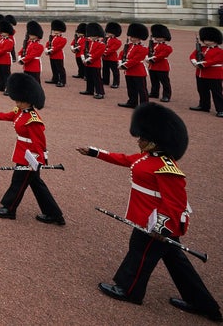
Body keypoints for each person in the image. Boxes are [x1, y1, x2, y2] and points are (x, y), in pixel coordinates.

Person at [80, 103, 221, 321]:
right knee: (177, 263)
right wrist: (95, 153)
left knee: (140, 253)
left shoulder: (167, 167)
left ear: (155, 140)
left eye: (142, 137)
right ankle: (203, 304)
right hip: (150, 220)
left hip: (157, 224)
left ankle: (129, 290)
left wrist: (161, 226)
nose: (139, 140)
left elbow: (175, 202)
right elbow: (124, 159)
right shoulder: (147, 158)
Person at [0, 73, 64, 224]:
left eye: (19, 101)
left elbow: (39, 142)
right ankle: (54, 214)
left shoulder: (33, 119)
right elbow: (4, 116)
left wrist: (38, 160)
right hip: (23, 153)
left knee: (18, 182)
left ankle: (9, 208)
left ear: (28, 101)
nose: (16, 103)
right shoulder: (20, 111)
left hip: (30, 157)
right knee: (37, 185)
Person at [190, 26, 223, 115]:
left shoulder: (219, 51)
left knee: (216, 93)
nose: (205, 42)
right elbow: (193, 55)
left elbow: (215, 60)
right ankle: (204, 106)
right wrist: (194, 62)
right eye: (204, 40)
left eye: (208, 40)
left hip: (214, 75)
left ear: (215, 40)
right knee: (202, 91)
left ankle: (220, 109)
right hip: (201, 74)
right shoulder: (202, 48)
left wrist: (202, 64)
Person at [118, 23, 150, 109]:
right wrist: (120, 61)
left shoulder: (143, 48)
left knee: (141, 89)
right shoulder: (128, 46)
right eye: (130, 36)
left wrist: (124, 66)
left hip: (138, 71)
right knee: (131, 88)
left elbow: (135, 60)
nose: (131, 38)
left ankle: (145, 105)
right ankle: (132, 102)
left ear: (139, 38)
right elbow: (121, 54)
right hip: (129, 71)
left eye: (133, 37)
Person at [148, 24, 173, 103]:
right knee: (154, 81)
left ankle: (166, 95)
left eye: (159, 37)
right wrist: (146, 56)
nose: (157, 38)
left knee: (165, 82)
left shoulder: (167, 47)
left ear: (164, 37)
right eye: (156, 37)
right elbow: (147, 51)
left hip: (162, 66)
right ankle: (154, 92)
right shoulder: (153, 45)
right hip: (152, 66)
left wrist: (152, 58)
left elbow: (162, 55)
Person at [81, 22, 106, 99]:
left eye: (92, 36)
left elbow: (97, 54)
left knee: (97, 79)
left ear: (97, 36)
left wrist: (89, 58)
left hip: (95, 64)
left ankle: (100, 92)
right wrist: (83, 57)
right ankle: (89, 90)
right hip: (87, 63)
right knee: (89, 77)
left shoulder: (101, 44)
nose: (90, 37)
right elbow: (83, 50)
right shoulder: (88, 43)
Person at [18, 20, 44, 85]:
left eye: (31, 34)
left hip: (34, 67)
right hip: (27, 66)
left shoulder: (39, 46)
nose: (29, 35)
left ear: (36, 35)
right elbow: (21, 51)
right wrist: (19, 56)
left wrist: (23, 60)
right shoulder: (28, 43)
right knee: (27, 83)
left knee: (35, 83)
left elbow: (31, 56)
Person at [0, 20, 14, 92]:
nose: (2, 33)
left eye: (3, 32)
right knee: (0, 74)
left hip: (5, 60)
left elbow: (4, 50)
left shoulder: (10, 41)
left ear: (7, 33)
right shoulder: (1, 40)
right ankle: (1, 86)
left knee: (6, 75)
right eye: (1, 32)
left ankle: (8, 88)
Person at [45, 19, 68, 87]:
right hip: (52, 55)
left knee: (60, 69)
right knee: (54, 68)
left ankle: (62, 81)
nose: (55, 33)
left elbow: (59, 47)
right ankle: (55, 79)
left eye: (57, 32)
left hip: (58, 56)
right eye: (54, 31)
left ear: (61, 32)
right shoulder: (52, 37)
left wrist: (51, 50)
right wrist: (46, 48)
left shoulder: (63, 39)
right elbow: (48, 43)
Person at [104, 21, 123, 89]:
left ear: (114, 33)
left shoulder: (117, 41)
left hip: (112, 58)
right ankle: (105, 80)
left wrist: (104, 52)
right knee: (105, 70)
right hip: (105, 58)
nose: (107, 33)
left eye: (109, 32)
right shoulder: (105, 39)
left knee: (115, 71)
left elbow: (112, 49)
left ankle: (116, 83)